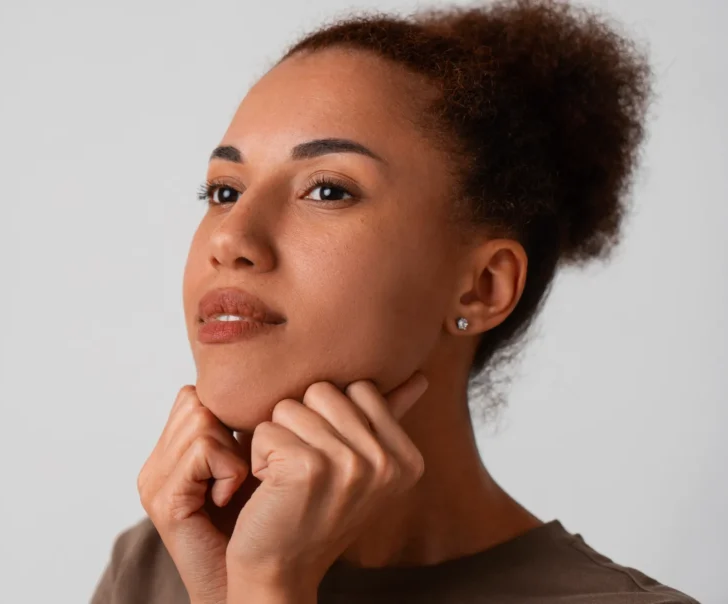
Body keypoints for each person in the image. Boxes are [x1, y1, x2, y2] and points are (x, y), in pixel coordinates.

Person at [91, 0, 698, 602]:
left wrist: (268, 587)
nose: (229, 238)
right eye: (224, 190)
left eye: (327, 189)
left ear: (482, 287)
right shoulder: (160, 564)